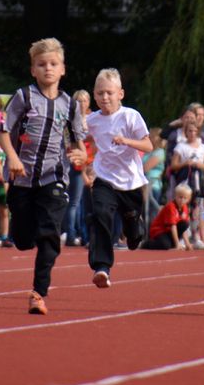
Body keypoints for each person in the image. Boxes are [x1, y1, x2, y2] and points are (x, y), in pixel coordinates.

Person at [0, 37, 86, 315]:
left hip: (54, 178)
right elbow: (2, 131)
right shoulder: (23, 96)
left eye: (53, 64)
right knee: (23, 240)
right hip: (22, 178)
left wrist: (81, 155)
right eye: (42, 64)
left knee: (50, 235)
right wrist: (12, 157)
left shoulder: (71, 105)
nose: (48, 68)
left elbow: (78, 142)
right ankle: (27, 231)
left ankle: (38, 293)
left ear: (63, 69)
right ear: (33, 69)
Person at [82, 67, 152, 288]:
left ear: (120, 94)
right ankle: (101, 267)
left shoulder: (131, 116)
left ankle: (134, 229)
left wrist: (127, 141)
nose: (105, 97)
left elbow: (148, 145)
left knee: (133, 234)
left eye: (109, 93)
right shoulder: (92, 120)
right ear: (94, 96)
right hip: (104, 178)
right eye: (100, 93)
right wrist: (77, 150)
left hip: (130, 182)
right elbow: (79, 137)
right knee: (100, 214)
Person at [171, 122, 204, 248]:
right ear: (186, 132)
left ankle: (196, 236)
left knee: (197, 210)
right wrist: (185, 163)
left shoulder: (203, 147)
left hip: (198, 183)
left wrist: (200, 165)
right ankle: (183, 237)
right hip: (185, 182)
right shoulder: (180, 147)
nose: (192, 133)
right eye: (189, 131)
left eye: (194, 131)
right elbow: (173, 165)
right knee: (183, 209)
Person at [62, 89, 91, 246]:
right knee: (74, 202)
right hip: (77, 163)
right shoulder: (71, 120)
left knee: (82, 203)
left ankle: (81, 233)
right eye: (79, 101)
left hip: (90, 163)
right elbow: (69, 142)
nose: (82, 104)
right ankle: (71, 234)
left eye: (85, 100)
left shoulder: (92, 119)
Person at [142, 183, 193, 250]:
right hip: (159, 230)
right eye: (180, 197)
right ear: (175, 196)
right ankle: (146, 244)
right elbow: (173, 226)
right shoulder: (171, 207)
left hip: (168, 231)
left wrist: (187, 243)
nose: (182, 200)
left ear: (188, 199)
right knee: (165, 245)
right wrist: (177, 243)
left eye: (185, 198)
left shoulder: (185, 208)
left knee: (184, 224)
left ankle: (172, 243)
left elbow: (183, 229)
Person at [142, 127, 166, 224]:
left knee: (151, 212)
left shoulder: (159, 152)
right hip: (143, 184)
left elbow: (145, 168)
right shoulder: (147, 152)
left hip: (152, 184)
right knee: (144, 212)